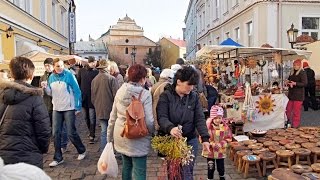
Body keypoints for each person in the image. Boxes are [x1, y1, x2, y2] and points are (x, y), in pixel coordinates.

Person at [157, 66, 211, 179]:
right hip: (172, 141)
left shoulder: (193, 97)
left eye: (193, 85)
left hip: (190, 139)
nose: (191, 88)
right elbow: (162, 117)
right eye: (189, 85)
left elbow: (199, 118)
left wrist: (205, 138)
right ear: (178, 82)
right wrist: (170, 128)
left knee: (187, 172)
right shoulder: (165, 96)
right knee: (174, 172)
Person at [0, 57, 51, 168]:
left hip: (4, 157)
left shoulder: (2, 95)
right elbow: (44, 130)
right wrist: (42, 149)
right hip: (29, 157)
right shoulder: (35, 98)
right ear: (31, 76)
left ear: (12, 75)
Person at [107, 64, 154, 180]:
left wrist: (109, 137)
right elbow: (149, 120)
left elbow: (112, 116)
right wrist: (152, 134)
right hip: (138, 135)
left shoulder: (120, 91)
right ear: (142, 78)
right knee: (139, 171)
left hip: (121, 133)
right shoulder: (145, 94)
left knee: (126, 166)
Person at [45, 58, 86, 167]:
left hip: (69, 107)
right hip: (56, 108)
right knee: (55, 133)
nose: (60, 68)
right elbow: (50, 93)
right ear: (54, 67)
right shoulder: (51, 77)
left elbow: (77, 91)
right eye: (57, 66)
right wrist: (45, 88)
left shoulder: (69, 75)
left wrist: (78, 106)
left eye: (61, 66)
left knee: (70, 132)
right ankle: (58, 158)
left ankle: (81, 150)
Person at [40, 58, 69, 151]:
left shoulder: (58, 75)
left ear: (53, 66)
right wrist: (42, 88)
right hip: (47, 104)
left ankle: (63, 144)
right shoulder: (42, 77)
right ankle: (56, 143)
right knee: (51, 127)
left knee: (61, 126)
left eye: (49, 65)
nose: (47, 67)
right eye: (45, 65)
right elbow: (40, 92)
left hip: (58, 105)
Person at [91, 60, 119, 150]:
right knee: (113, 131)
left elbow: (93, 97)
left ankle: (104, 151)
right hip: (111, 109)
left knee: (104, 131)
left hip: (99, 108)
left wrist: (96, 106)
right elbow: (116, 96)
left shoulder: (94, 80)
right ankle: (113, 151)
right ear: (107, 67)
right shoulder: (112, 79)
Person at [202, 106, 232, 180]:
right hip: (210, 152)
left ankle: (222, 177)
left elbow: (229, 138)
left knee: (221, 167)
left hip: (220, 151)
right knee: (210, 167)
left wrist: (221, 143)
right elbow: (203, 138)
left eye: (219, 118)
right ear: (212, 118)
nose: (218, 120)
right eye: (215, 118)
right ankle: (210, 178)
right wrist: (211, 143)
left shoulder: (225, 127)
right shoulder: (208, 127)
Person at [77, 56, 98, 144]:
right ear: (89, 62)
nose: (94, 64)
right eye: (92, 62)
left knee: (92, 117)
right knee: (86, 117)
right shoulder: (81, 71)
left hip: (93, 98)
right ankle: (90, 131)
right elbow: (78, 83)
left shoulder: (96, 72)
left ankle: (92, 135)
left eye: (95, 62)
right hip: (84, 98)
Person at [285, 59, 308, 128]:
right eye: (294, 65)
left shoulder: (302, 72)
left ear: (300, 65)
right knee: (288, 110)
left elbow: (305, 83)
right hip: (291, 95)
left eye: (297, 65)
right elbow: (290, 81)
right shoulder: (292, 72)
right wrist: (287, 82)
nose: (295, 66)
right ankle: (287, 122)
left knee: (296, 111)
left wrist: (295, 83)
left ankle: (295, 125)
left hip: (298, 95)